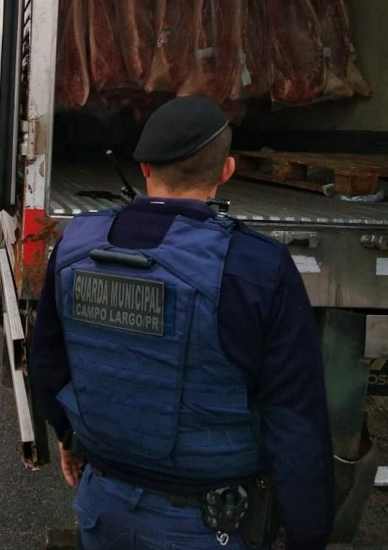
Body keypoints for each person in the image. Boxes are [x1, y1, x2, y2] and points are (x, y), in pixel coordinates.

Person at [30, 96, 335, 550]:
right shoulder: (254, 265)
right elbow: (294, 417)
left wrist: (69, 437)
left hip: (102, 507)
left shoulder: (76, 244)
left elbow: (48, 362)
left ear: (145, 167)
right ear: (227, 170)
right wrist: (308, 533)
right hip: (207, 524)